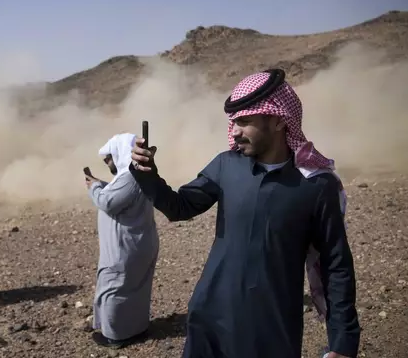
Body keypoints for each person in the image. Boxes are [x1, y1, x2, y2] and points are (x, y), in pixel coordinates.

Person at [129, 69, 360, 358]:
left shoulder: (316, 184)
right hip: (209, 317)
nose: (235, 131)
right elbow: (180, 207)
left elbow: (335, 266)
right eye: (233, 122)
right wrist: (147, 174)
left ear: (277, 120)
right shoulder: (226, 166)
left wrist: (343, 341)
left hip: (270, 329)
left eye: (245, 122)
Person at [85, 133, 160, 349]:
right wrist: (101, 184)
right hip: (135, 243)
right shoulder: (133, 176)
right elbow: (120, 195)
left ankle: (116, 336)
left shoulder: (131, 176)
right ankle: (135, 328)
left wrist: (94, 188)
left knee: (114, 286)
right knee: (133, 288)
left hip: (125, 247)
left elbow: (108, 202)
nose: (108, 163)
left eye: (108, 158)